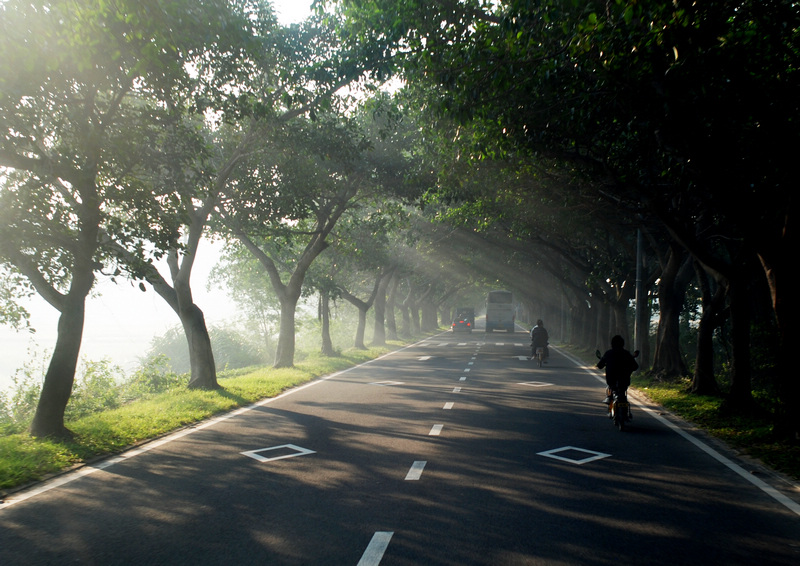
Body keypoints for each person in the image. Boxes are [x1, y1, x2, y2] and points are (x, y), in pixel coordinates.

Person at [597, 335, 639, 403]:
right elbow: (636, 366)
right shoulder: (626, 354)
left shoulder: (608, 353)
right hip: (624, 380)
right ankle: (627, 411)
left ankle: (609, 397)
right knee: (623, 390)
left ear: (612, 344)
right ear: (623, 344)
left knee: (610, 387)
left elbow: (599, 365)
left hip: (611, 379)